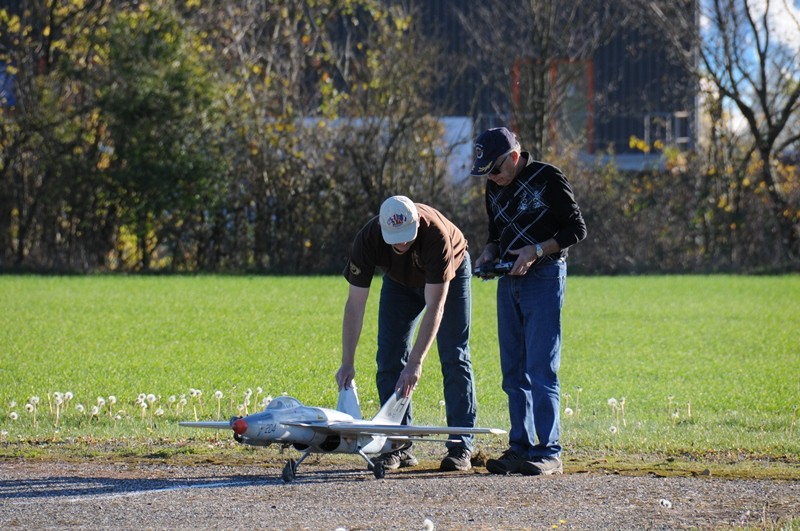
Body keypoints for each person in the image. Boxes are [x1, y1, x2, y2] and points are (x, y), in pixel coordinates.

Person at [471, 127, 587, 476]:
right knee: (513, 371)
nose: (492, 177)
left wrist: (536, 251)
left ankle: (549, 451)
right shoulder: (493, 186)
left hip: (545, 278)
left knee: (540, 369)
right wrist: (489, 253)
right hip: (508, 280)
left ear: (514, 157)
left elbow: (577, 229)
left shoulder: (548, 177)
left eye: (495, 169)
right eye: (486, 172)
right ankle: (519, 447)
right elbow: (496, 233)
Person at [336, 195, 478, 472]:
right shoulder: (367, 240)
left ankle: (461, 445)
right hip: (399, 282)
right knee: (389, 357)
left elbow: (436, 307)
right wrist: (347, 361)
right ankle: (397, 445)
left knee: (454, 354)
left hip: (451, 274)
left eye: (407, 236)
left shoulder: (435, 234)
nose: (402, 242)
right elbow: (355, 304)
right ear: (382, 228)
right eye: (395, 238)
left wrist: (416, 363)